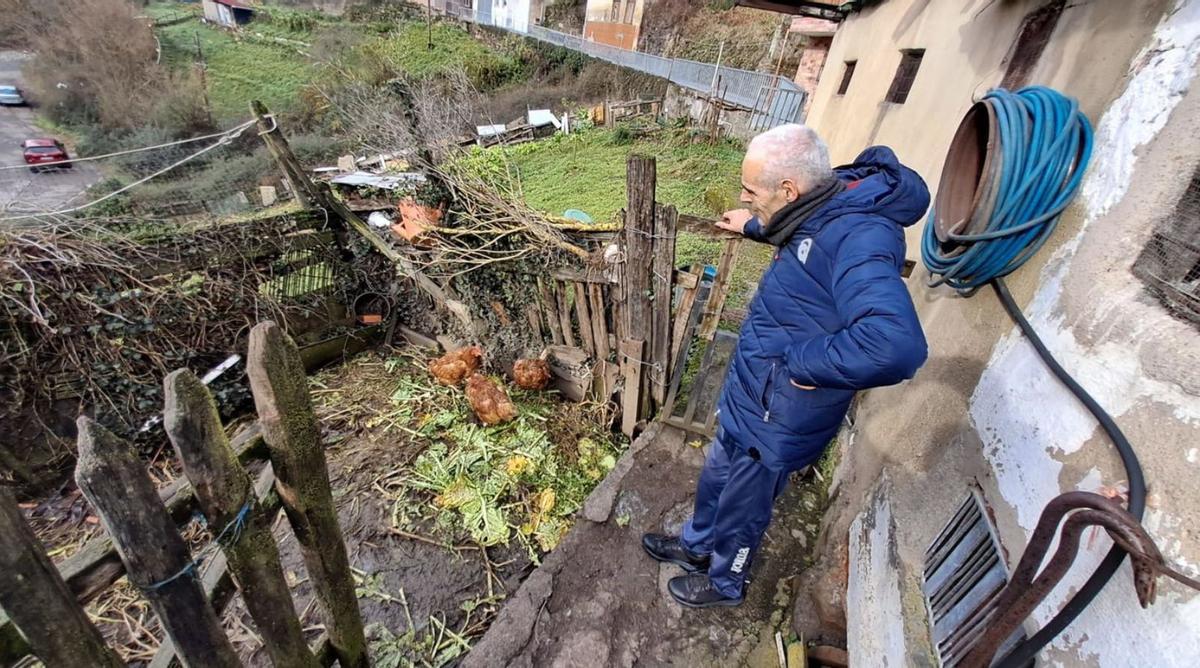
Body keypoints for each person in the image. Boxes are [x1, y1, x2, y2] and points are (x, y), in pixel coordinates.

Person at [642, 124, 930, 608]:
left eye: (750, 190)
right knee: (716, 475)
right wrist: (752, 224)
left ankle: (725, 582)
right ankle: (695, 548)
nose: (743, 195)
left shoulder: (861, 235)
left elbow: (895, 345)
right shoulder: (824, 199)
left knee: (745, 505)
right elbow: (803, 234)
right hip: (752, 390)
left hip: (783, 408)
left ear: (788, 189)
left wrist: (803, 361)